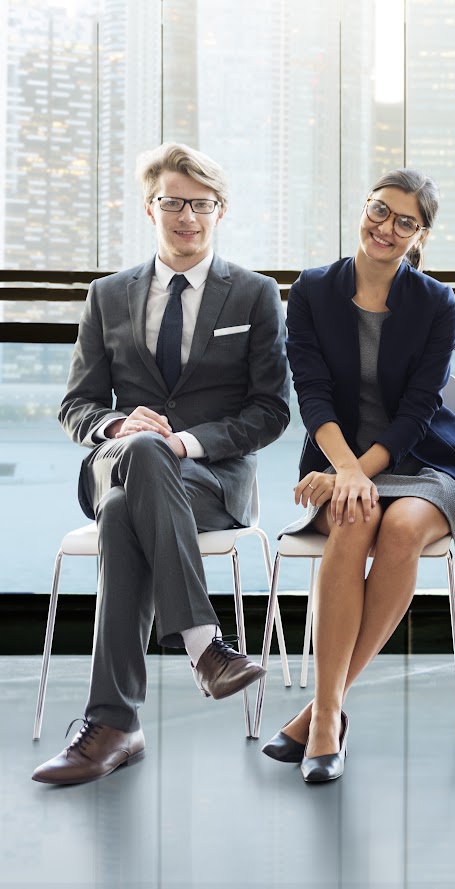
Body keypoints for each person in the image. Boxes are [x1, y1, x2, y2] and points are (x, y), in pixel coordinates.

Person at [36, 143, 290, 785]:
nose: (187, 216)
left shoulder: (255, 296)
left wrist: (188, 442)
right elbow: (77, 405)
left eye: (201, 204)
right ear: (150, 208)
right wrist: (119, 425)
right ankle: (206, 647)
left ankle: (114, 725)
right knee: (140, 455)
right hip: (121, 460)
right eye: (173, 202)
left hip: (210, 479)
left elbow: (270, 412)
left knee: (126, 512)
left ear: (220, 211)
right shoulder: (107, 295)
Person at [258, 169, 455, 783]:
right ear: (364, 208)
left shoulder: (435, 302)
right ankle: (328, 717)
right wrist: (345, 473)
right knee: (357, 518)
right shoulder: (310, 291)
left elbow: (417, 413)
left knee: (402, 526)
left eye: (405, 221)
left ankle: (322, 713)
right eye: (379, 210)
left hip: (427, 462)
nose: (386, 227)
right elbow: (315, 395)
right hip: (337, 459)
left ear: (420, 235)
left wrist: (356, 474)